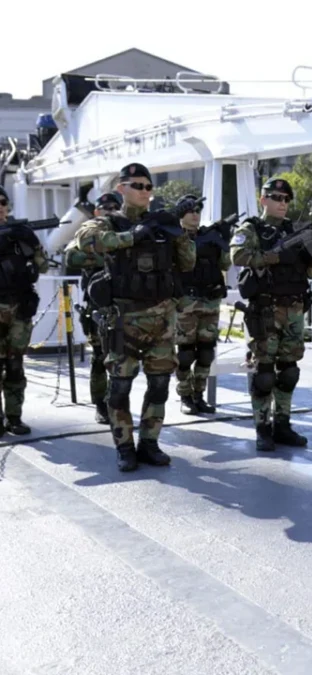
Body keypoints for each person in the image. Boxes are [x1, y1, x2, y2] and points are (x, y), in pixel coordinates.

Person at [75, 163, 196, 471]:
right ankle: (125, 446)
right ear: (122, 188)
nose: (145, 191)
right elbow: (86, 242)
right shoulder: (108, 223)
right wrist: (134, 235)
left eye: (148, 187)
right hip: (123, 320)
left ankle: (150, 444)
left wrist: (178, 231)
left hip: (161, 321)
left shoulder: (163, 224)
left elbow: (188, 263)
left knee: (159, 386)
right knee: (120, 387)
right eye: (138, 185)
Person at [231, 178, 312, 452]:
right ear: (263, 199)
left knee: (289, 371)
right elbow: (238, 255)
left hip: (294, 308)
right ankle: (262, 428)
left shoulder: (296, 231)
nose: (282, 203)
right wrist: (275, 257)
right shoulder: (251, 228)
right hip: (265, 309)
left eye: (286, 199)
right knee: (264, 373)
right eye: (276, 197)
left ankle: (283, 424)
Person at [64, 192, 121, 425]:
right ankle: (100, 404)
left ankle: (117, 402)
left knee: (121, 359)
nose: (109, 210)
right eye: (104, 207)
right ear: (96, 212)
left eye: (113, 206)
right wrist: (107, 254)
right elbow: (71, 257)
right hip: (96, 308)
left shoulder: (124, 232)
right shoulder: (86, 234)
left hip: (123, 306)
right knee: (100, 357)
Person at [0, 186, 48, 436]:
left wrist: (30, 240)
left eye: (2, 202)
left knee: (16, 365)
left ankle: (14, 417)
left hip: (19, 307)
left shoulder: (19, 235)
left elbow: (43, 267)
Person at [175, 194, 229, 415]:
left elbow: (225, 264)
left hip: (210, 300)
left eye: (198, 210)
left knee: (206, 353)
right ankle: (185, 396)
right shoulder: (174, 238)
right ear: (181, 214)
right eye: (190, 210)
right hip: (186, 301)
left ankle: (199, 395)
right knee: (185, 353)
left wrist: (225, 242)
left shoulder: (210, 236)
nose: (195, 214)